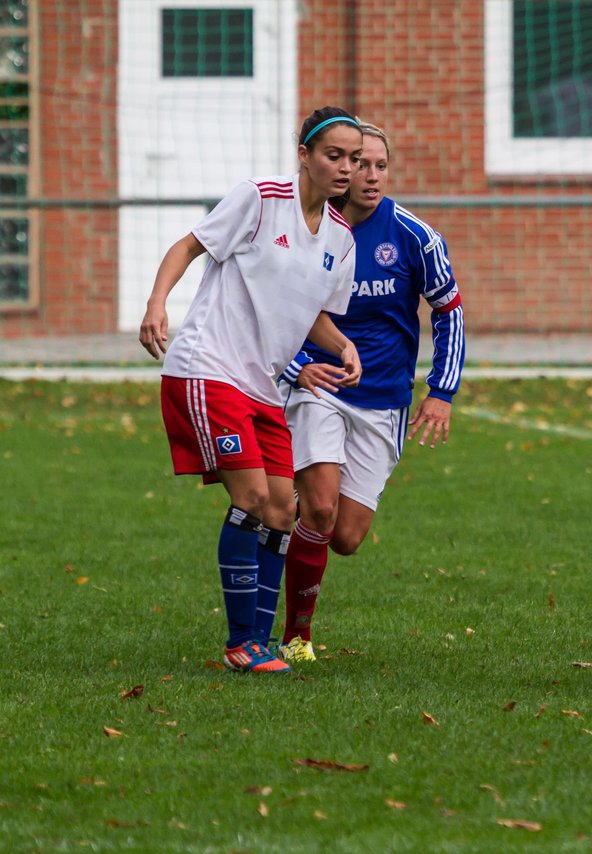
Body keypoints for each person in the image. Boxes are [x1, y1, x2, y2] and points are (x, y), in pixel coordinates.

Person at [138, 106, 364, 675]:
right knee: (253, 499)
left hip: (263, 386)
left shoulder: (342, 238)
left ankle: (259, 643)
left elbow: (310, 311)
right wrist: (156, 304)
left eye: (354, 159)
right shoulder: (259, 199)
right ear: (305, 156)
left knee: (284, 511)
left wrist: (342, 345)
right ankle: (242, 642)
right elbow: (187, 247)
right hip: (208, 367)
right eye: (333, 155)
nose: (345, 168)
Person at [273, 121, 466, 663]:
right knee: (321, 511)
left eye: (381, 165)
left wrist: (441, 390)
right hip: (320, 385)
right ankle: (297, 637)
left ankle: (281, 501)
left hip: (384, 401)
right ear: (340, 165)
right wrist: (295, 368)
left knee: (347, 537)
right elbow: (272, 308)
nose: (371, 175)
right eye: (361, 164)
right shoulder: (311, 229)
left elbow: (449, 311)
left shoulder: (413, 236)